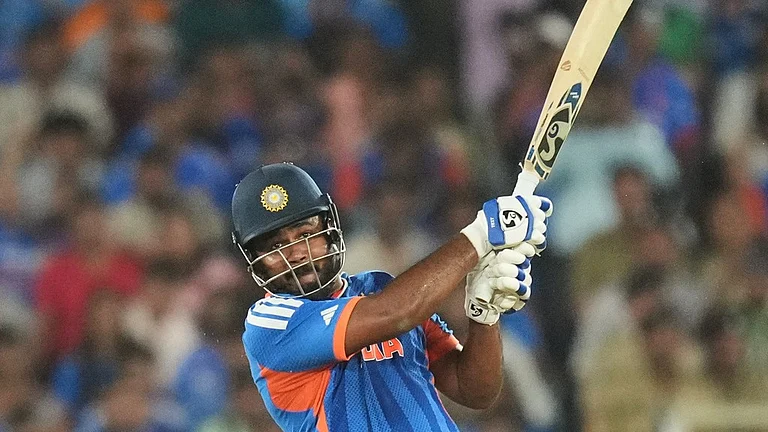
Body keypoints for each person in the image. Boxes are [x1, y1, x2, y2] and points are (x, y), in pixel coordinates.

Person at [230, 162, 552, 431]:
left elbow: (474, 390)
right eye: (275, 247)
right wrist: (483, 233)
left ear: (329, 229)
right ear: (252, 259)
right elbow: (395, 313)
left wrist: (483, 313)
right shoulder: (268, 324)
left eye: (305, 234)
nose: (297, 254)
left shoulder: (379, 287)